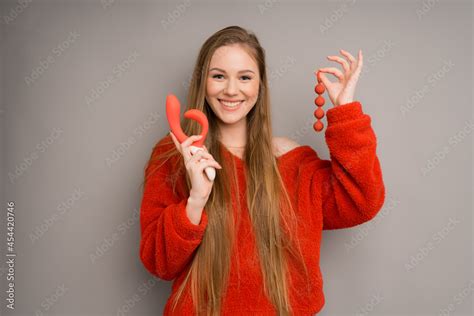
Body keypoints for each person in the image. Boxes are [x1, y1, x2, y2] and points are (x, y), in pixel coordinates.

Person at [139, 25, 385, 316]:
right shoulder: (176, 155)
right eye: (218, 76)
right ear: (202, 83)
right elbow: (159, 263)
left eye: (245, 77)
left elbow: (361, 201)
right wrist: (196, 200)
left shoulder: (294, 161)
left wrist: (345, 110)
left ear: (260, 85)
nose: (231, 89)